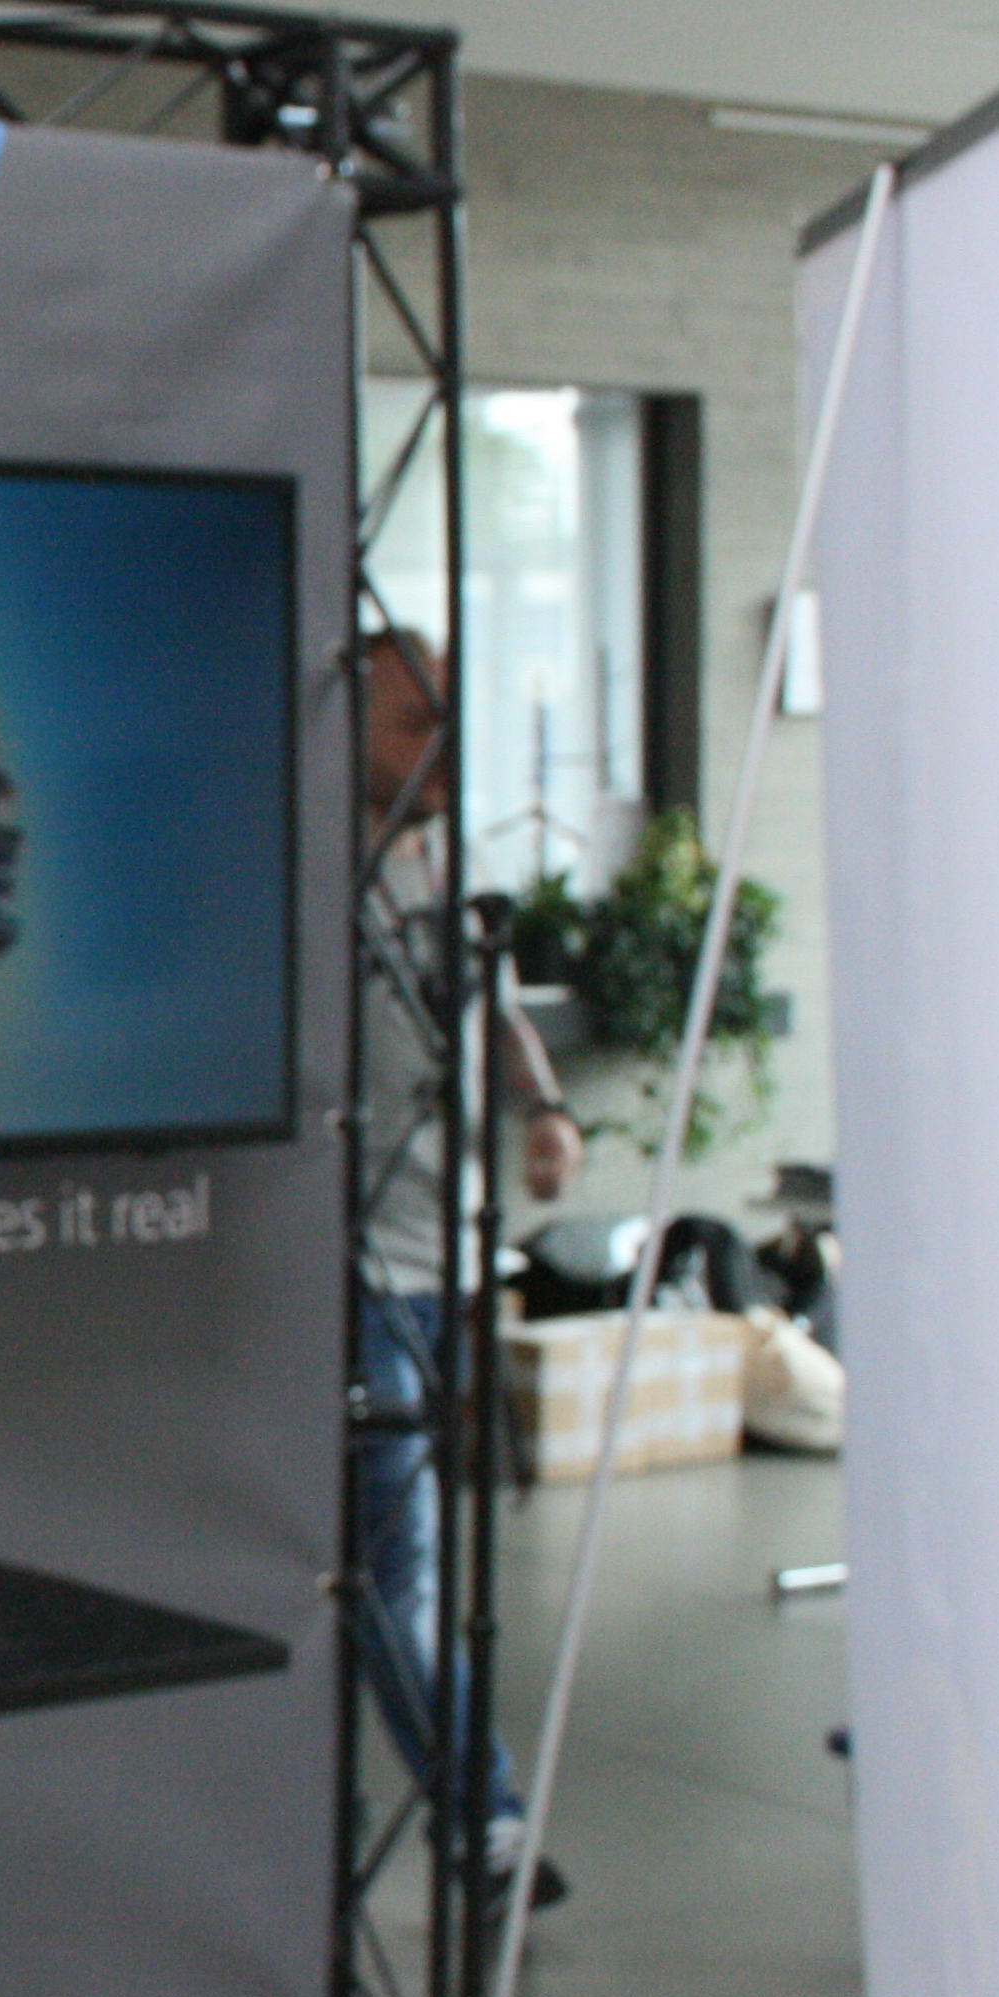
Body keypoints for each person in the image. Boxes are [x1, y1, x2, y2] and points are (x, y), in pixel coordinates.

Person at [353, 628, 578, 1907]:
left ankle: (472, 1814)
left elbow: (496, 1014)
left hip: (447, 1252)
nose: (439, 752)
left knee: (410, 1566)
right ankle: (481, 1817)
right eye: (411, 725)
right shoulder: (312, 867)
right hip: (356, 1269)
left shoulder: (456, 862)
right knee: (396, 1570)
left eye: (449, 724)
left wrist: (546, 1110)